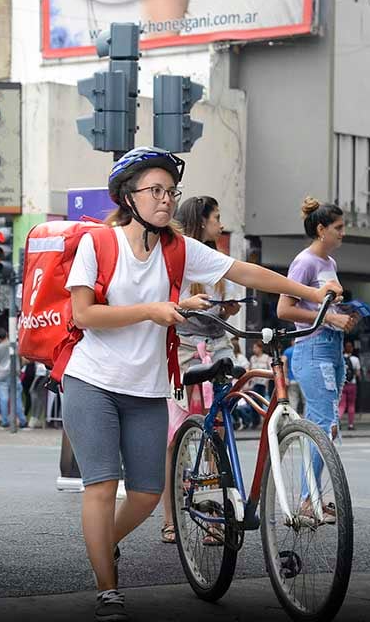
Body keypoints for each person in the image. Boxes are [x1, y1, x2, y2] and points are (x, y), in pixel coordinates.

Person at [60, 146, 341, 621]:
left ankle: (100, 545)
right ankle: (107, 586)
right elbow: (83, 314)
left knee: (148, 494)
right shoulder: (98, 245)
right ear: (129, 197)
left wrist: (311, 292)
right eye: (156, 191)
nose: (166, 200)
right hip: (92, 381)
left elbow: (242, 272)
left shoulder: (178, 248)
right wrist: (152, 311)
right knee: (103, 487)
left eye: (171, 191)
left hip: (147, 387)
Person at [160, 195, 239, 544]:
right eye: (216, 218)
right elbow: (161, 306)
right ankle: (170, 518)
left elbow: (230, 309)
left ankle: (215, 519)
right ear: (201, 221)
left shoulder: (222, 262)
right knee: (175, 438)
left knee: (218, 436)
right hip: (184, 353)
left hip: (218, 350)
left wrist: (230, 308)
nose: (220, 225)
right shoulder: (175, 261)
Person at [277, 197, 358, 522]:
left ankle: (312, 497)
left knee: (327, 426)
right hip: (312, 349)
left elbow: (323, 308)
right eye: (338, 228)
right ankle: (309, 500)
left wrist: (342, 317)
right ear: (321, 229)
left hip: (332, 349)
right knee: (324, 425)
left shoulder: (329, 264)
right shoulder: (305, 262)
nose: (343, 234)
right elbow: (284, 309)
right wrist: (330, 319)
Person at [0, 327, 28, 431]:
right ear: (7, 334)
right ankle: (22, 421)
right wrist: (19, 368)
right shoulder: (16, 345)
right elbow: (24, 359)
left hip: (1, 374)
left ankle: (4, 421)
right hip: (14, 373)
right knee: (17, 398)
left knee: (3, 398)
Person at [339, 341, 360, 430]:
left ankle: (337, 422)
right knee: (351, 405)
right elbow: (358, 373)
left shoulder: (340, 359)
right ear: (351, 348)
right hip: (352, 384)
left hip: (342, 384)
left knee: (342, 405)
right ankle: (350, 425)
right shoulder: (355, 359)